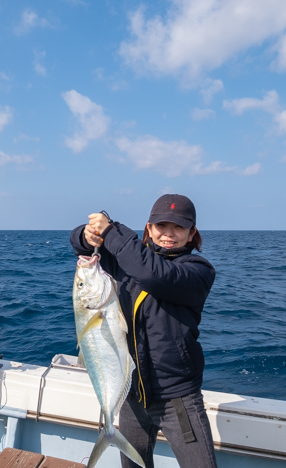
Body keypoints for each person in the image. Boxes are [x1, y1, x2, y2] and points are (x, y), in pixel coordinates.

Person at [70, 194, 218, 468]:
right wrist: (85, 235)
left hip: (178, 400)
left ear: (192, 233)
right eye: (161, 226)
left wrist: (113, 232)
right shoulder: (127, 263)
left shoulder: (198, 271)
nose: (169, 234)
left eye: (179, 227)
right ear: (148, 229)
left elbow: (154, 274)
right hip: (132, 398)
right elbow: (80, 247)